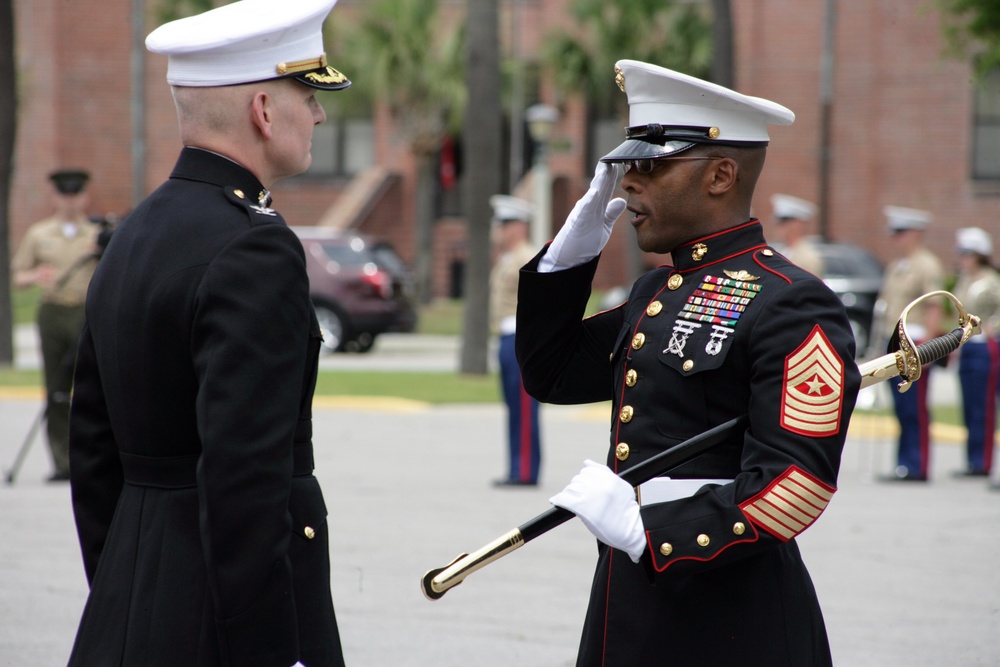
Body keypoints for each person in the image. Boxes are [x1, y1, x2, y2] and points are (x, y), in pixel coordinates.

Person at [515, 60, 861, 666]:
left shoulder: (791, 300)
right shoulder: (659, 290)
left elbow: (795, 485)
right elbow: (552, 371)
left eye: (651, 166)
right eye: (628, 167)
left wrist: (653, 530)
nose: (628, 186)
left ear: (721, 174)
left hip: (731, 617)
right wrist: (573, 250)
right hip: (633, 603)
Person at [66, 1, 351, 665]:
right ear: (262, 109)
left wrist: (128, 585)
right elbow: (245, 482)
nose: (319, 114)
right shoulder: (255, 249)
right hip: (219, 628)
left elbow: (92, 449)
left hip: (129, 609)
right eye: (307, 94)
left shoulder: (133, 233)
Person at [12, 169, 101, 483]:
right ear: (55, 197)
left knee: (92, 385)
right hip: (53, 312)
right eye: (64, 194)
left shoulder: (96, 233)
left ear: (85, 197)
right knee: (56, 388)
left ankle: (91, 457)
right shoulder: (39, 234)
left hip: (84, 312)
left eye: (75, 194)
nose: (70, 201)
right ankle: (62, 460)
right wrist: (36, 276)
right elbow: (18, 276)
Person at [875, 205, 945, 482]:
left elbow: (935, 305)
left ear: (916, 233)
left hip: (915, 343)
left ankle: (917, 466)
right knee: (902, 409)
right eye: (895, 233)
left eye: (901, 232)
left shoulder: (927, 264)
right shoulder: (896, 266)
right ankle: (904, 464)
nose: (897, 238)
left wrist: (928, 348)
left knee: (914, 408)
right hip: (896, 344)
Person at [489, 195, 542, 487]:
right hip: (505, 337)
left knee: (523, 408)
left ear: (519, 227)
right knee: (513, 407)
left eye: (505, 223)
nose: (499, 229)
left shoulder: (527, 257)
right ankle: (515, 468)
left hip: (520, 338)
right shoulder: (508, 258)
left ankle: (525, 471)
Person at [952, 227, 1000, 478]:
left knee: (983, 406)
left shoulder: (990, 279)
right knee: (969, 405)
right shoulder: (964, 279)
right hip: (968, 345)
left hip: (985, 347)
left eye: (967, 253)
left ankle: (982, 461)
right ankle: (973, 460)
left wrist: (994, 328)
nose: (962, 258)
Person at [770, 192, 824, 276]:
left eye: (784, 221)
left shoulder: (808, 258)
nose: (778, 226)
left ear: (798, 224)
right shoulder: (780, 251)